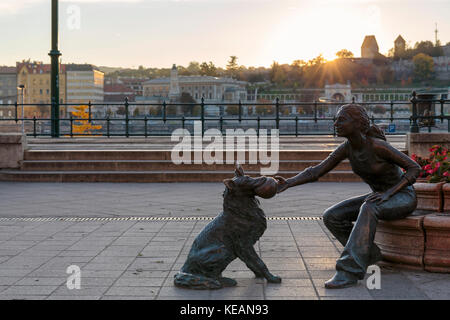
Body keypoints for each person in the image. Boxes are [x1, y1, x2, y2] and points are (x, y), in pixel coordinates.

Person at [276, 104, 421, 289]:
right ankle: (369, 254)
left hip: (403, 197)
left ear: (358, 123)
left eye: (342, 119)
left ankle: (348, 271)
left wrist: (388, 194)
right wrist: (288, 183)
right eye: (336, 119)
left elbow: (414, 168)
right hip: (379, 198)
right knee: (332, 216)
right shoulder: (347, 148)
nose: (336, 123)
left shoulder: (378, 146)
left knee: (369, 207)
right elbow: (317, 171)